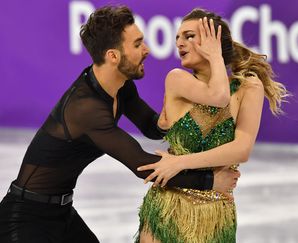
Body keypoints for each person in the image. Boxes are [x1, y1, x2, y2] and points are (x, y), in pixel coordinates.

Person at [0, 5, 240, 243]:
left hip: (61, 212)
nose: (147, 49)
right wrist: (210, 181)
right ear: (113, 56)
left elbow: (150, 126)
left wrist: (164, 123)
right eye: (137, 44)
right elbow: (142, 165)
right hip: (25, 219)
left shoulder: (121, 86)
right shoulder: (86, 109)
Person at [135, 8, 289, 243]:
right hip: (169, 208)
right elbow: (219, 97)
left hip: (216, 217)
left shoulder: (249, 86)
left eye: (188, 36)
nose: (179, 43)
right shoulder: (177, 80)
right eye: (178, 37)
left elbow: (241, 149)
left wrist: (180, 161)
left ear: (213, 41)